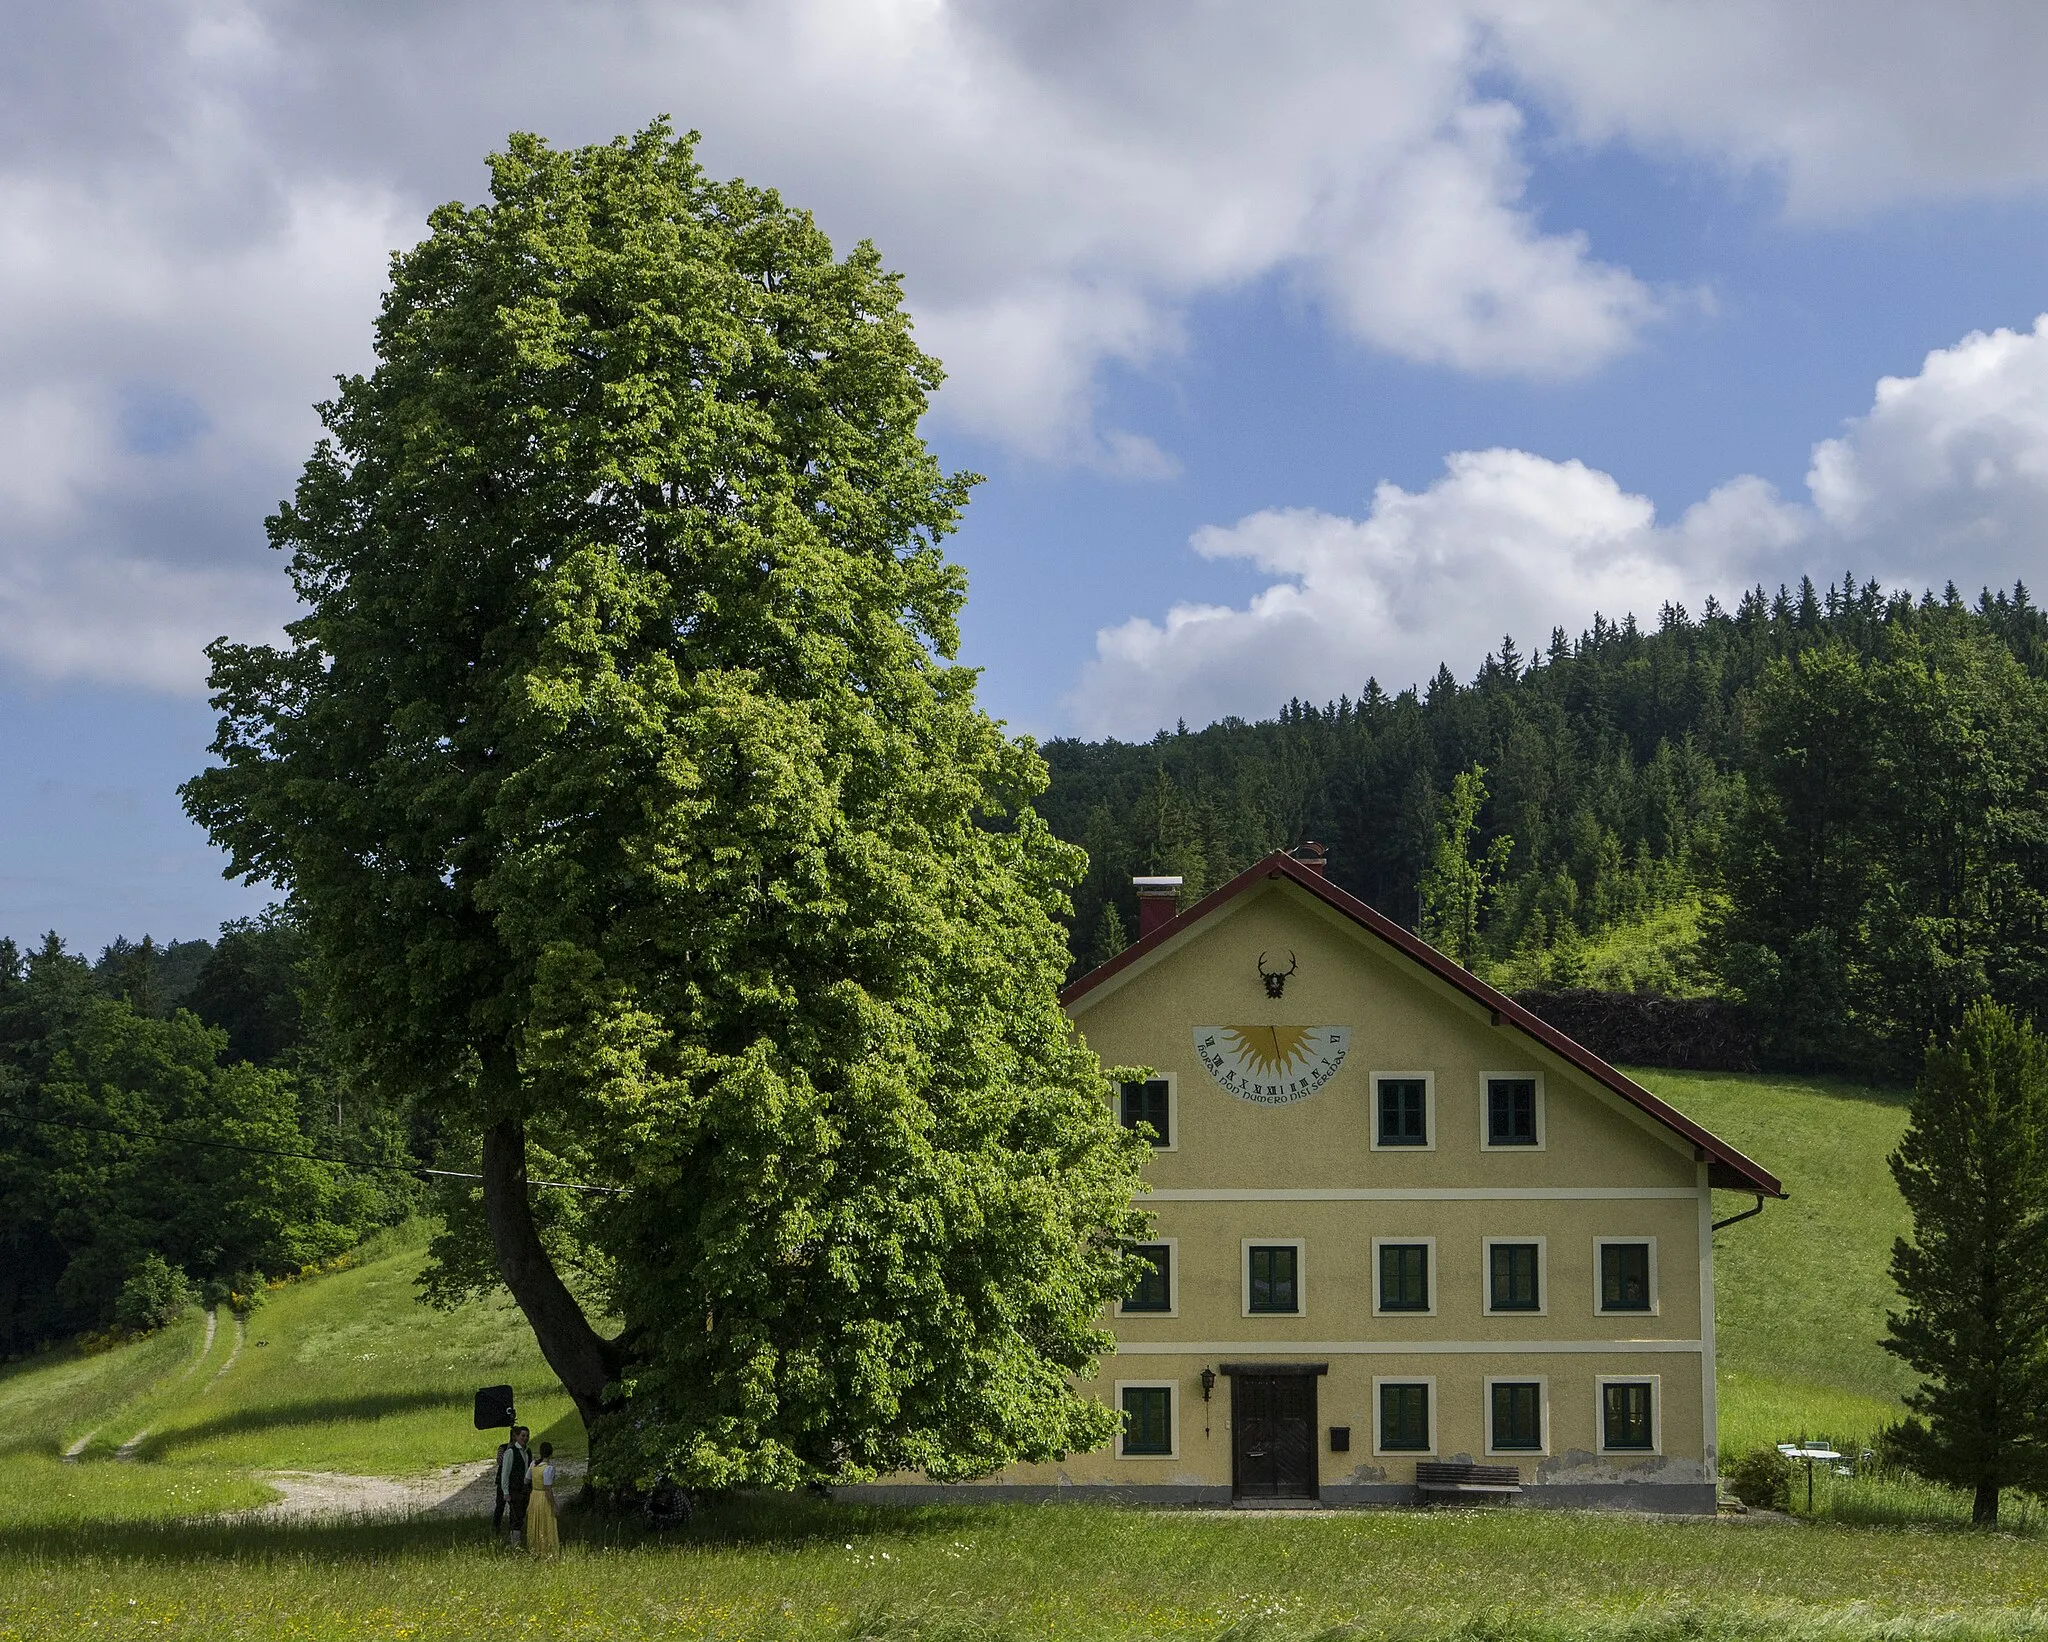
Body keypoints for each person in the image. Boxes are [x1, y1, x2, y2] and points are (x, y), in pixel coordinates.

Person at [497, 1425, 532, 1546]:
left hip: (524, 1488)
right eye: (523, 1436)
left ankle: (517, 1540)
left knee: (521, 1514)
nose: (525, 1438)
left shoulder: (527, 1451)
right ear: (516, 1437)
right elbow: (505, 1473)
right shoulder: (511, 1452)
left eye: (527, 1436)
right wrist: (506, 1491)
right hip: (514, 1489)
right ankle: (515, 1543)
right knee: (516, 1515)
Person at [525, 1440, 561, 1559]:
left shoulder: (533, 1465)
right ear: (551, 1454)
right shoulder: (548, 1469)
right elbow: (548, 1489)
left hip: (534, 1496)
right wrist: (554, 1505)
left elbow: (526, 1480)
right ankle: (546, 1549)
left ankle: (534, 1548)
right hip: (543, 1497)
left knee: (535, 1521)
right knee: (546, 1522)